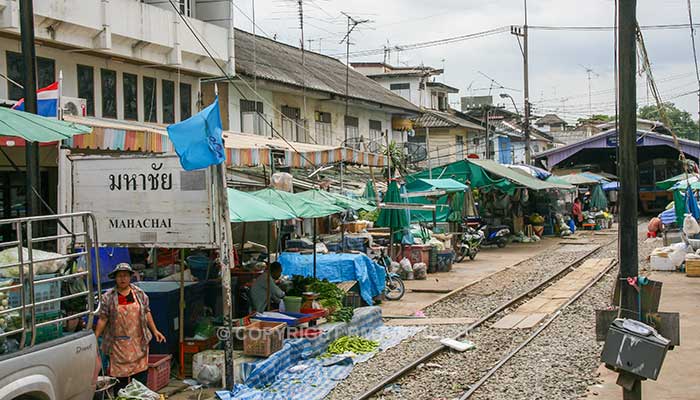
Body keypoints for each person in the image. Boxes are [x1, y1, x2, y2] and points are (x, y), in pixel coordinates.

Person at [95, 263, 166, 392]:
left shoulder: (139, 294)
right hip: (117, 345)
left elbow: (146, 312)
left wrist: (155, 330)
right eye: (120, 276)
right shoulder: (108, 297)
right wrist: (95, 337)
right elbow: (103, 318)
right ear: (115, 278)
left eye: (125, 276)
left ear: (130, 277)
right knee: (119, 382)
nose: (122, 279)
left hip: (138, 342)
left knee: (140, 379)